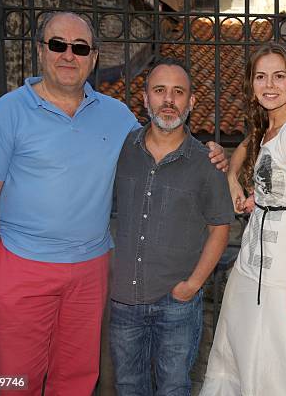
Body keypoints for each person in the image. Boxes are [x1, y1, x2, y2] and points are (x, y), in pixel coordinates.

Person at [0, 12, 226, 395]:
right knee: (14, 381)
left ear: (93, 57)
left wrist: (219, 156)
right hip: (21, 269)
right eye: (58, 45)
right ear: (41, 51)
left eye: (80, 47)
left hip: (89, 273)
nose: (68, 55)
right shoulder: (4, 114)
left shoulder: (116, 116)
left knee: (75, 381)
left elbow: (159, 141)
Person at [200, 43, 286, 395]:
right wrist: (238, 186)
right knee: (238, 356)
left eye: (278, 76)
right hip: (250, 266)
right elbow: (242, 155)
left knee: (275, 366)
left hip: (282, 273)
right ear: (251, 84)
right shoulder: (268, 127)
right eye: (261, 77)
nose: (269, 85)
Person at [109, 58, 234, 395]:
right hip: (123, 300)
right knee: (128, 387)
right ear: (145, 98)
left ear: (191, 102)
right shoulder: (120, 151)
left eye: (178, 92)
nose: (168, 100)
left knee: (174, 388)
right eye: (159, 90)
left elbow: (220, 228)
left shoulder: (207, 163)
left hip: (176, 304)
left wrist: (192, 286)